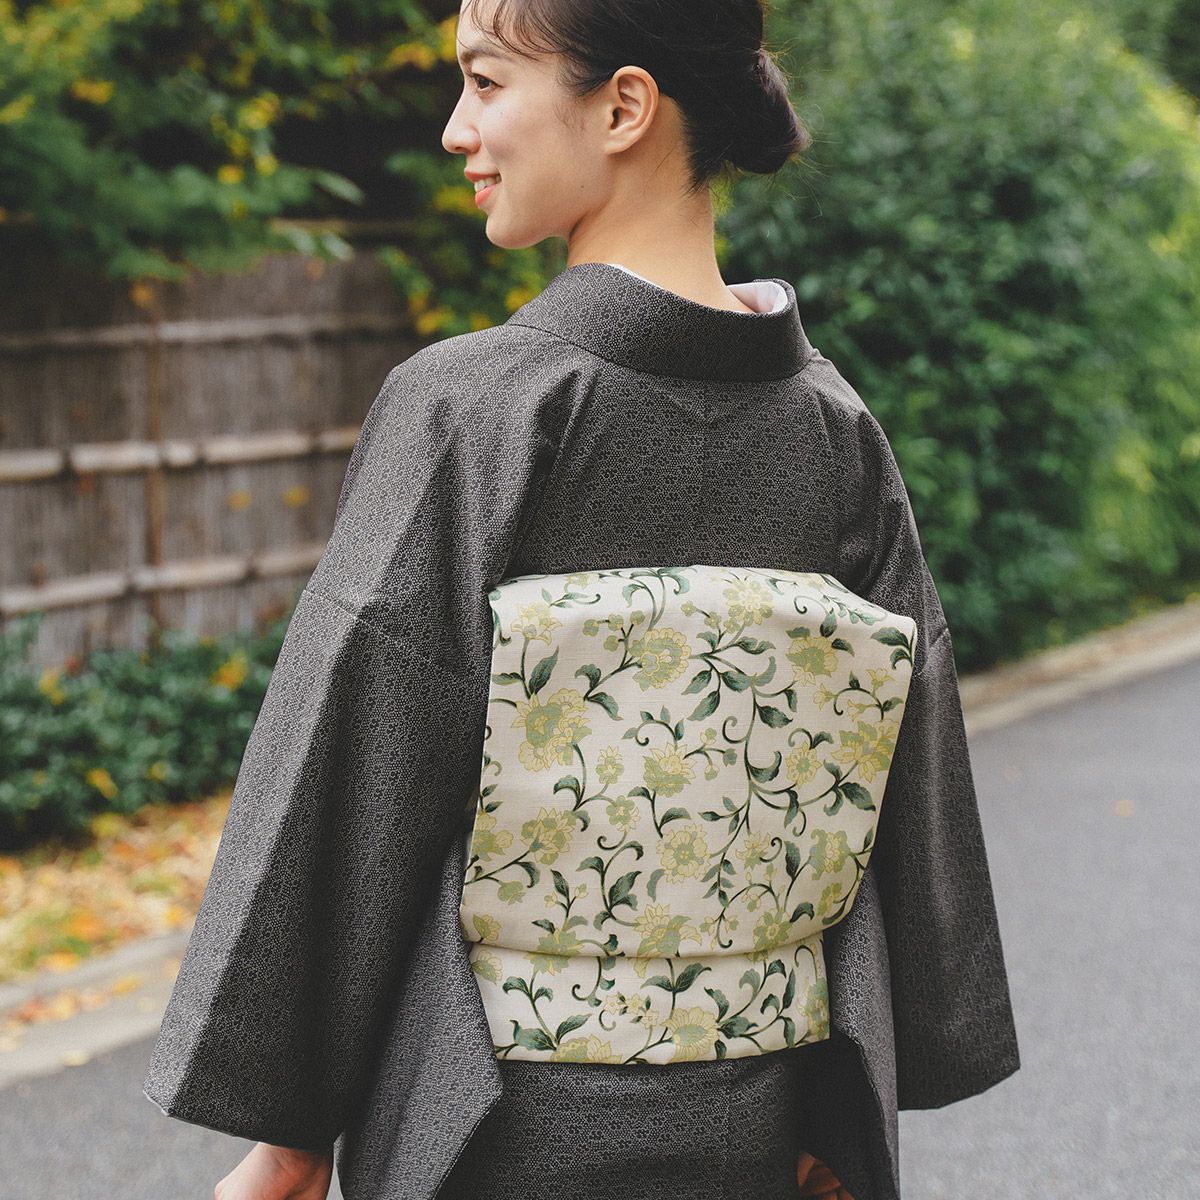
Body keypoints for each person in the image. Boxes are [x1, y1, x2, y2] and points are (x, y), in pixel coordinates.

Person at [143, 1, 1021, 1198]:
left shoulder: (474, 409)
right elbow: (901, 788)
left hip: (495, 1122)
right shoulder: (837, 430)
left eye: (486, 82)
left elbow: (355, 766)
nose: (456, 129)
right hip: (768, 1119)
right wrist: (845, 1097)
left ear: (623, 107)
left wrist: (288, 1133)